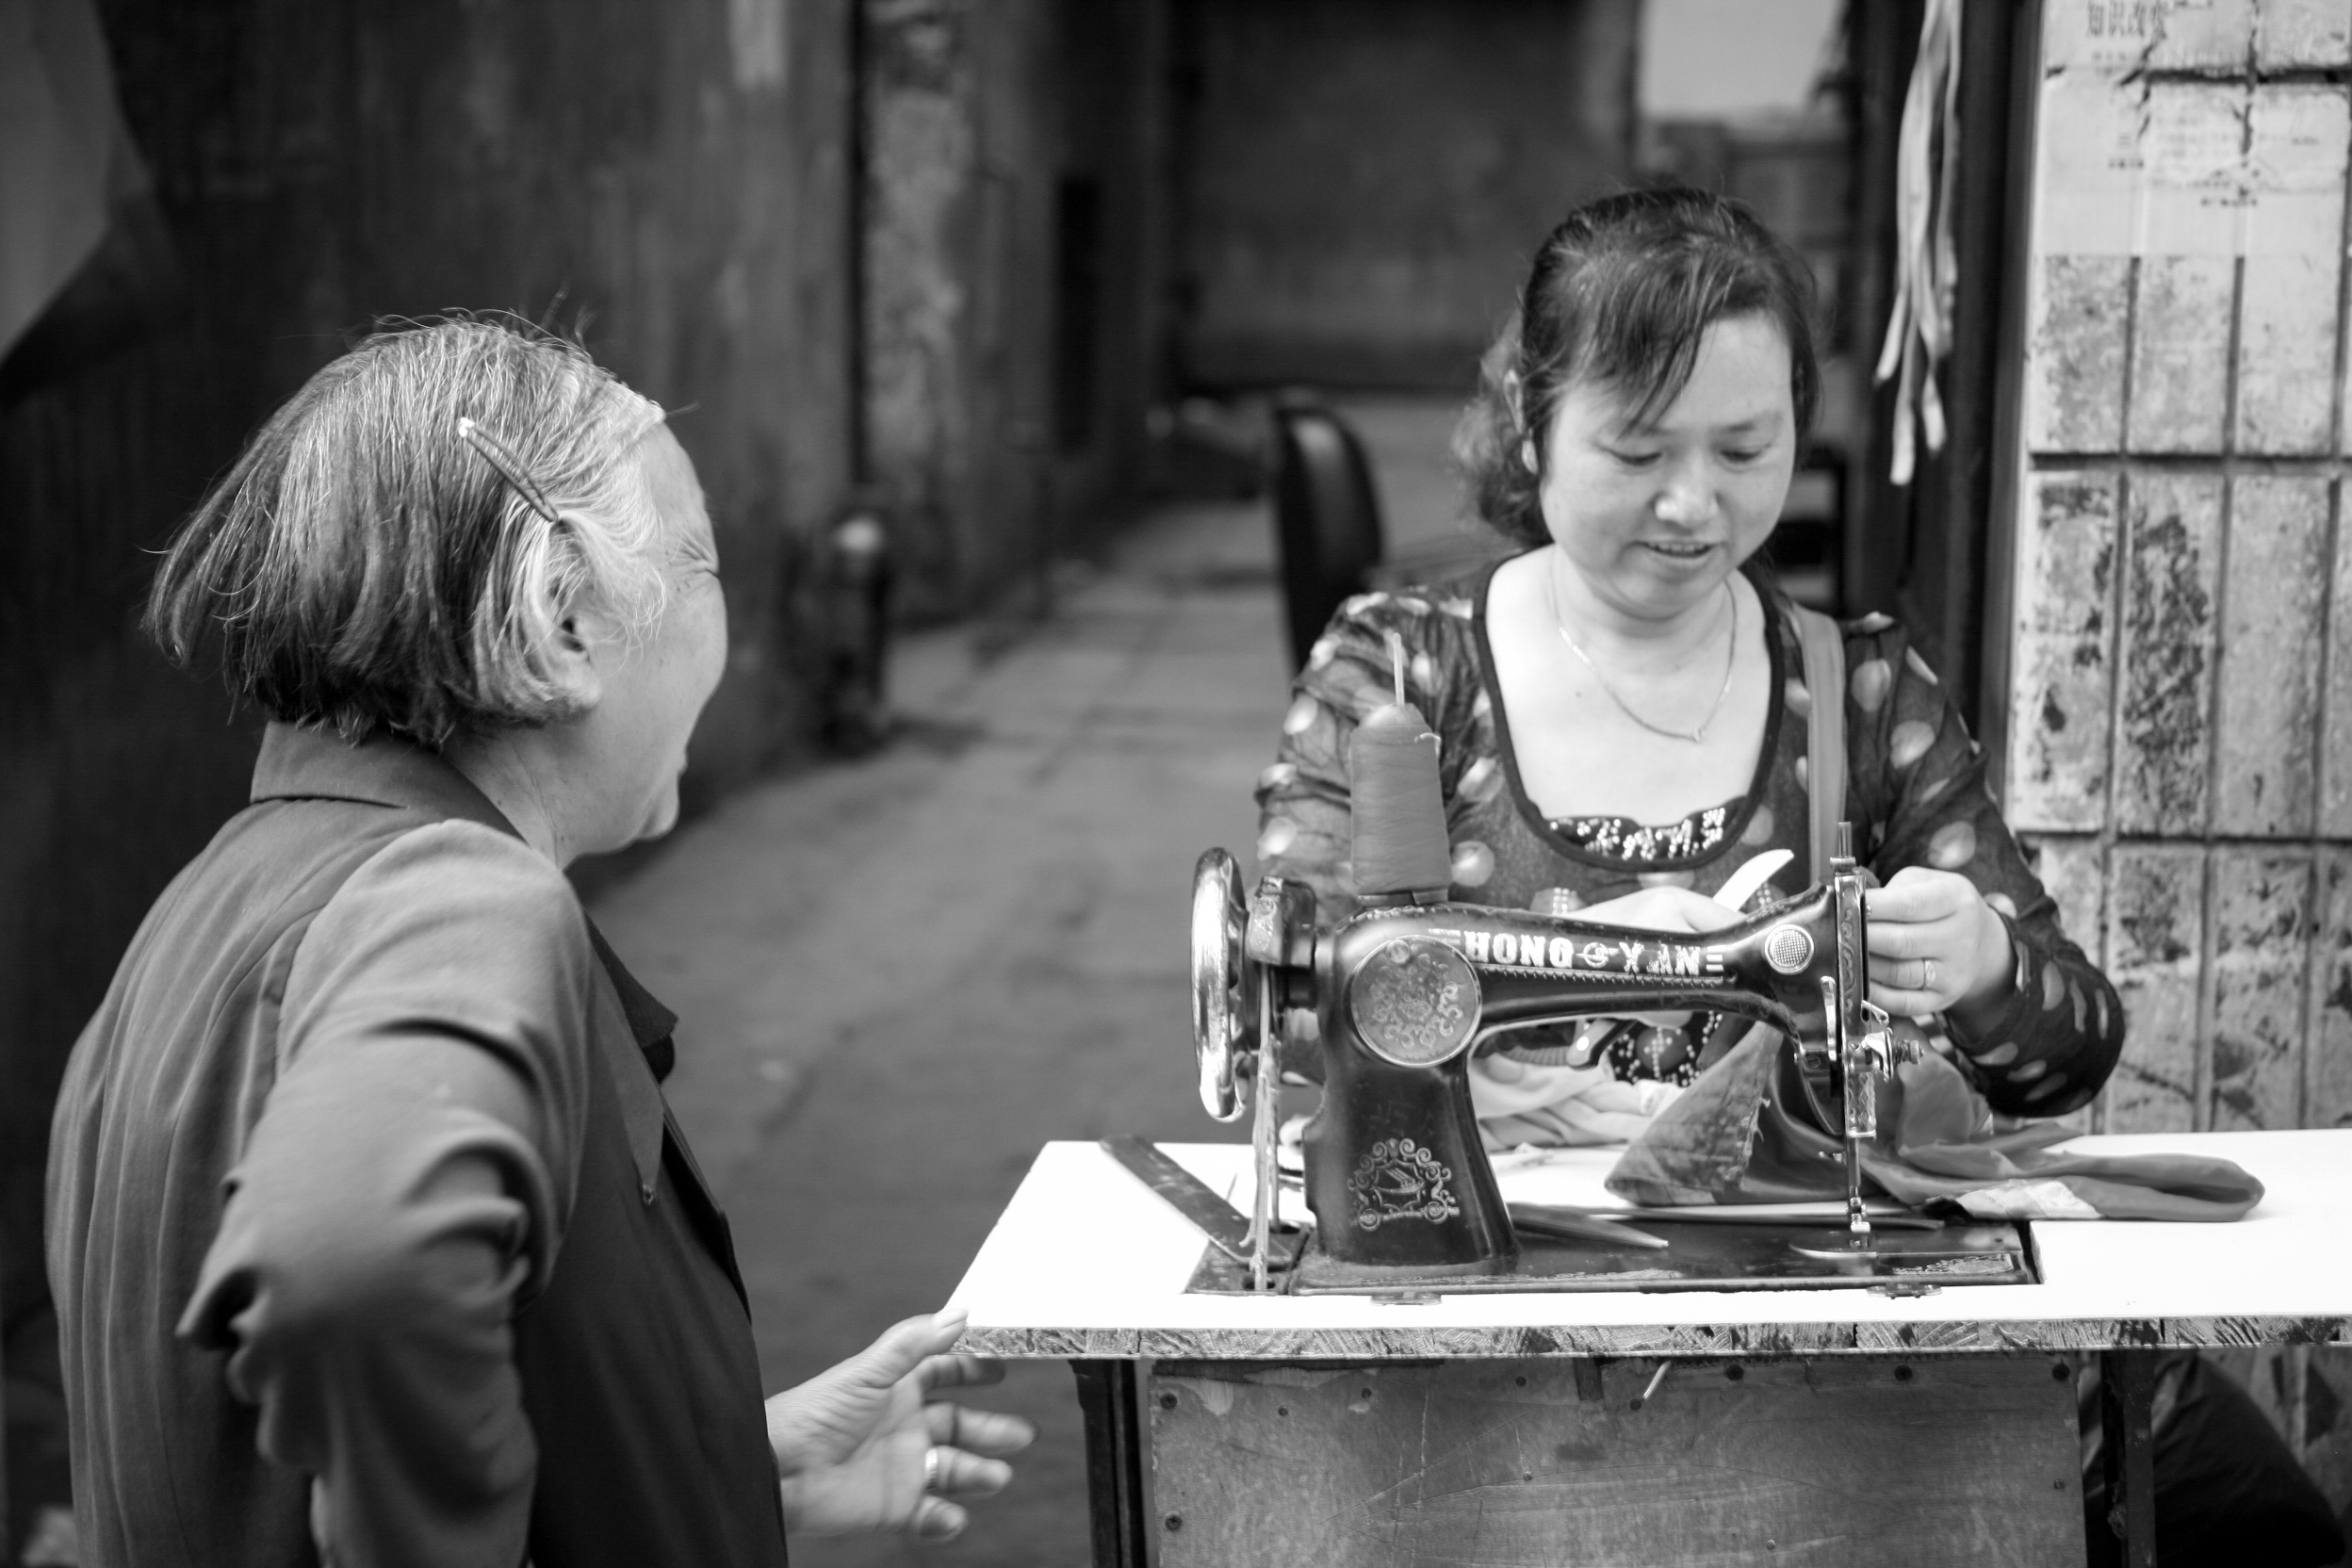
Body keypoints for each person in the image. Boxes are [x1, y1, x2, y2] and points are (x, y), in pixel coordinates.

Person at [1254, 188, 2343, 1568]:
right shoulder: (1404, 673)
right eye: (1638, 447)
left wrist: (1986, 969)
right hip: (1488, 1340)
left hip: (1835, 1340)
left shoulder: (1861, 693)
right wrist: (1498, 1012)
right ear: (1530, 426)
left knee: (2258, 1519)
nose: (1694, 503)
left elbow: (2068, 1055)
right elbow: (1289, 999)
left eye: (1745, 447)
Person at [44, 318, 1032, 1567]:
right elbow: (354, 1273)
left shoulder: (192, 922)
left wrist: (713, 1485)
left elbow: (257, 1476)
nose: (728, 629)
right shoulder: (459, 899)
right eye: (704, 563)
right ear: (564, 620)